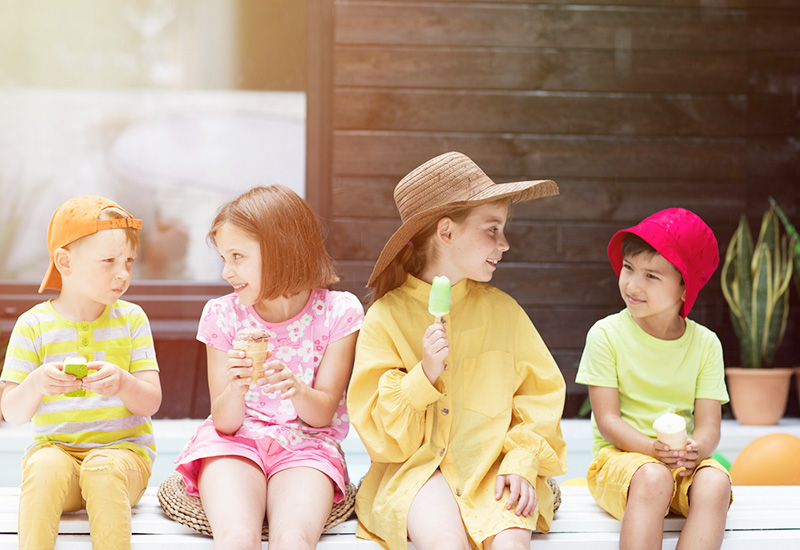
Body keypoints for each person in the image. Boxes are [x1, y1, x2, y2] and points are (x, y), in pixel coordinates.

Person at [347, 151, 568, 550]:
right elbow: (380, 436)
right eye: (492, 229)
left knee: (511, 545)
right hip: (417, 472)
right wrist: (423, 376)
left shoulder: (504, 312)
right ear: (446, 233)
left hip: (494, 466)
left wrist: (521, 461)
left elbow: (541, 396)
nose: (505, 243)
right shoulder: (385, 317)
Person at [174, 185, 364, 550]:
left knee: (292, 539)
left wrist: (296, 388)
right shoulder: (222, 314)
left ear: (282, 249)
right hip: (235, 443)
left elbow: (322, 415)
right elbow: (225, 423)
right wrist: (237, 387)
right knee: (237, 538)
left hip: (307, 445)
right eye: (223, 258)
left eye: (237, 256)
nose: (227, 271)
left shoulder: (340, 312)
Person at [0, 195, 162, 550]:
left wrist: (123, 382)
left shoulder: (132, 320)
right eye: (108, 261)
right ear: (64, 262)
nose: (123, 273)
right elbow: (12, 413)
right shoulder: (33, 326)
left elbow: (150, 402)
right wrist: (37, 382)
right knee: (43, 466)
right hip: (60, 460)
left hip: (124, 462)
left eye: (129, 262)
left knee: (102, 469)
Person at [576, 208, 732, 550]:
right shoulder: (606, 335)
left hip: (677, 464)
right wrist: (651, 451)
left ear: (683, 287)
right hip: (619, 462)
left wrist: (697, 450)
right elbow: (608, 421)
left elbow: (709, 426)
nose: (632, 284)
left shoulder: (706, 344)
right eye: (629, 268)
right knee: (653, 476)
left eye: (651, 276)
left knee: (716, 483)